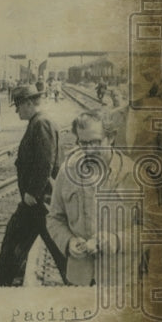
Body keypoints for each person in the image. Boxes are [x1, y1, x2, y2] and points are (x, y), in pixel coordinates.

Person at [0, 84, 67, 286]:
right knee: (15, 233)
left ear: (29, 103)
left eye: (19, 106)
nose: (16, 111)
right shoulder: (39, 121)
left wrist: (33, 192)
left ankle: (78, 282)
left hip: (41, 198)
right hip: (37, 199)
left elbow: (45, 162)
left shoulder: (41, 123)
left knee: (56, 243)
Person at [47, 112, 138, 286]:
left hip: (121, 280)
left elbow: (152, 228)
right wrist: (68, 242)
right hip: (79, 279)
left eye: (95, 142)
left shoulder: (132, 173)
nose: (88, 150)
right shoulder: (68, 172)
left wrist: (116, 241)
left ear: (110, 138)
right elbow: (54, 218)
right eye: (83, 143)